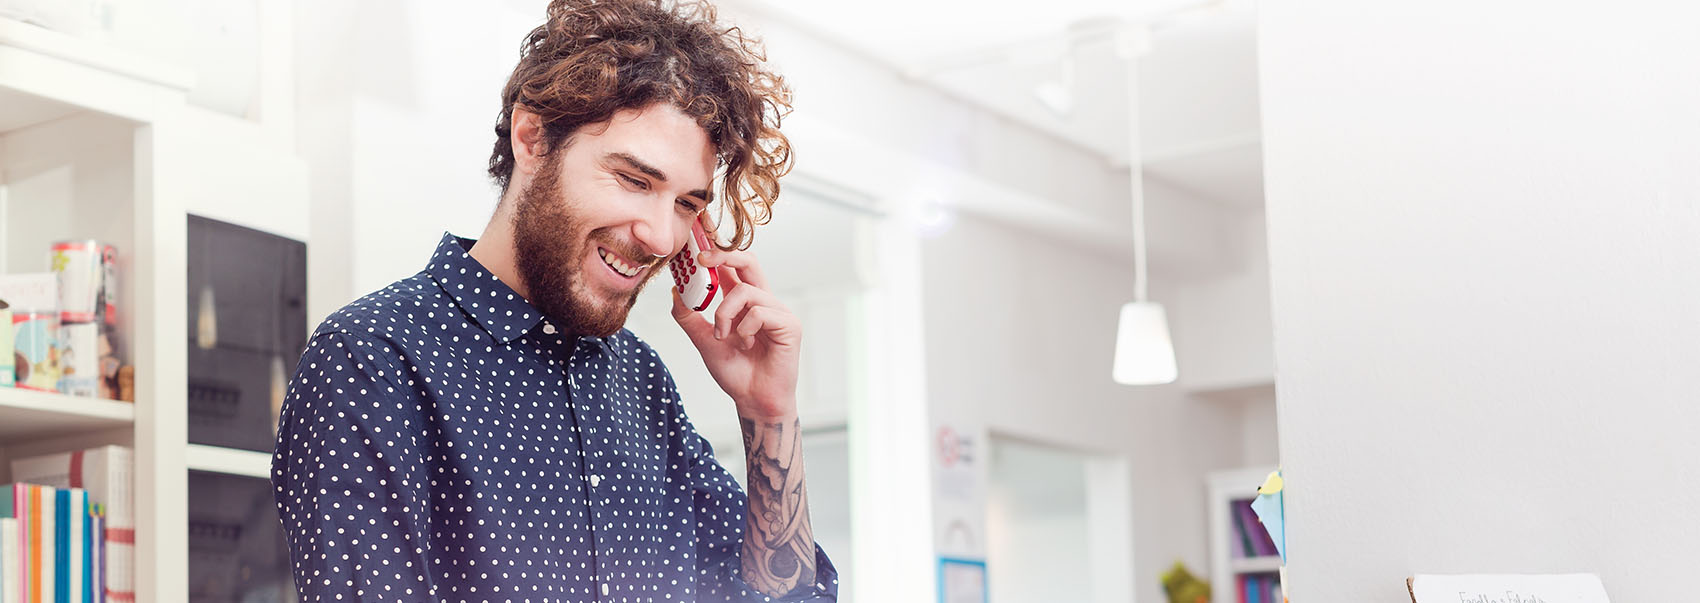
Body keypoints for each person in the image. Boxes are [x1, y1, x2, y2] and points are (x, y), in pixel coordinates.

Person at [269, 0, 838, 600]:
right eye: (634, 180)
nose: (663, 236)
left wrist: (767, 411)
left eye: (686, 204)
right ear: (533, 138)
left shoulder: (640, 383)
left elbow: (790, 595)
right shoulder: (372, 359)